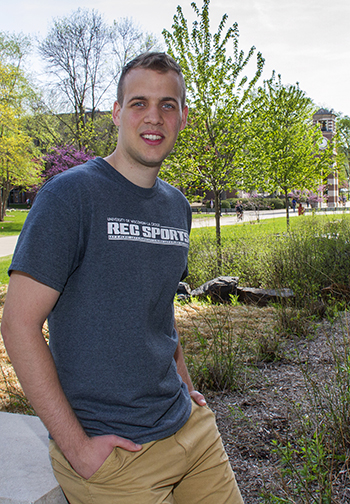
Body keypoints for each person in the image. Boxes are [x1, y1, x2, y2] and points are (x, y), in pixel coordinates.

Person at [1, 52, 243, 504]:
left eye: (168, 104)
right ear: (117, 113)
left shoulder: (177, 207)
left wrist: (186, 387)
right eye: (139, 103)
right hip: (113, 452)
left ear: (183, 117)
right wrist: (77, 449)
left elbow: (158, 311)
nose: (154, 117)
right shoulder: (70, 196)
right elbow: (17, 325)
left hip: (188, 429)